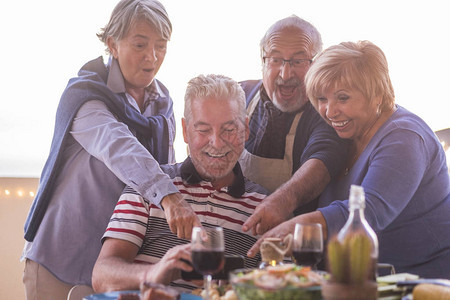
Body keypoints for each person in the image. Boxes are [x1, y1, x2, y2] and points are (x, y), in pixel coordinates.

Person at [21, 1, 200, 299]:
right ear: (113, 45)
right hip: (60, 261)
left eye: (161, 46)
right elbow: (118, 146)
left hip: (118, 266)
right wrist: (170, 198)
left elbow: (166, 166)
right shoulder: (84, 95)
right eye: (140, 44)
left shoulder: (162, 104)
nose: (152, 57)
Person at [248, 40, 450, 279]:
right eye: (322, 99)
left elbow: (367, 214)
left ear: (377, 94)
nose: (330, 112)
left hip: (418, 284)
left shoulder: (404, 137)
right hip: (356, 283)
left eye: (342, 98)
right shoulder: (346, 132)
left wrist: (296, 228)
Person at [92, 74, 267, 293]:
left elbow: (288, 286)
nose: (216, 142)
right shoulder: (149, 187)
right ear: (185, 131)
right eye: (203, 130)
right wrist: (155, 272)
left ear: (246, 128)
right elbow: (101, 276)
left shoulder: (265, 206)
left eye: (229, 130)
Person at [239, 15, 349, 236]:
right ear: (263, 62)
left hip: (290, 246)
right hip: (232, 234)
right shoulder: (239, 96)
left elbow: (321, 163)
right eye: (276, 59)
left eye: (298, 61)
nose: (285, 73)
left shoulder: (325, 112)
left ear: (317, 65)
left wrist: (281, 202)